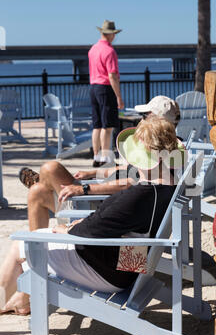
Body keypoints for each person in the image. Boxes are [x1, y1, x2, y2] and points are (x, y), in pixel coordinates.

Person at [0, 116, 185, 315]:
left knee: (20, 246)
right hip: (127, 262)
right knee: (38, 225)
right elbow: (105, 221)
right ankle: (20, 298)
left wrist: (68, 229)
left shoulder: (141, 196)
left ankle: (6, 301)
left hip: (110, 272)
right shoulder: (167, 185)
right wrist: (84, 223)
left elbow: (89, 230)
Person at [18, 96, 181, 231]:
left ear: (158, 120)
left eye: (145, 116)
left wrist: (84, 188)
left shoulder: (159, 152)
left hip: (105, 208)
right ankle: (35, 253)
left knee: (50, 169)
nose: (141, 119)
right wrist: (91, 173)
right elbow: (131, 171)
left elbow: (127, 184)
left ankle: (48, 187)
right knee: (37, 191)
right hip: (111, 202)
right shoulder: (171, 148)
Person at [88, 19, 124, 167]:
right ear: (111, 35)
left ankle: (96, 156)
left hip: (94, 87)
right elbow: (112, 75)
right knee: (107, 126)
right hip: (105, 88)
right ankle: (106, 158)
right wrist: (119, 97)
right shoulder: (109, 51)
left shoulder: (93, 49)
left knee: (97, 125)